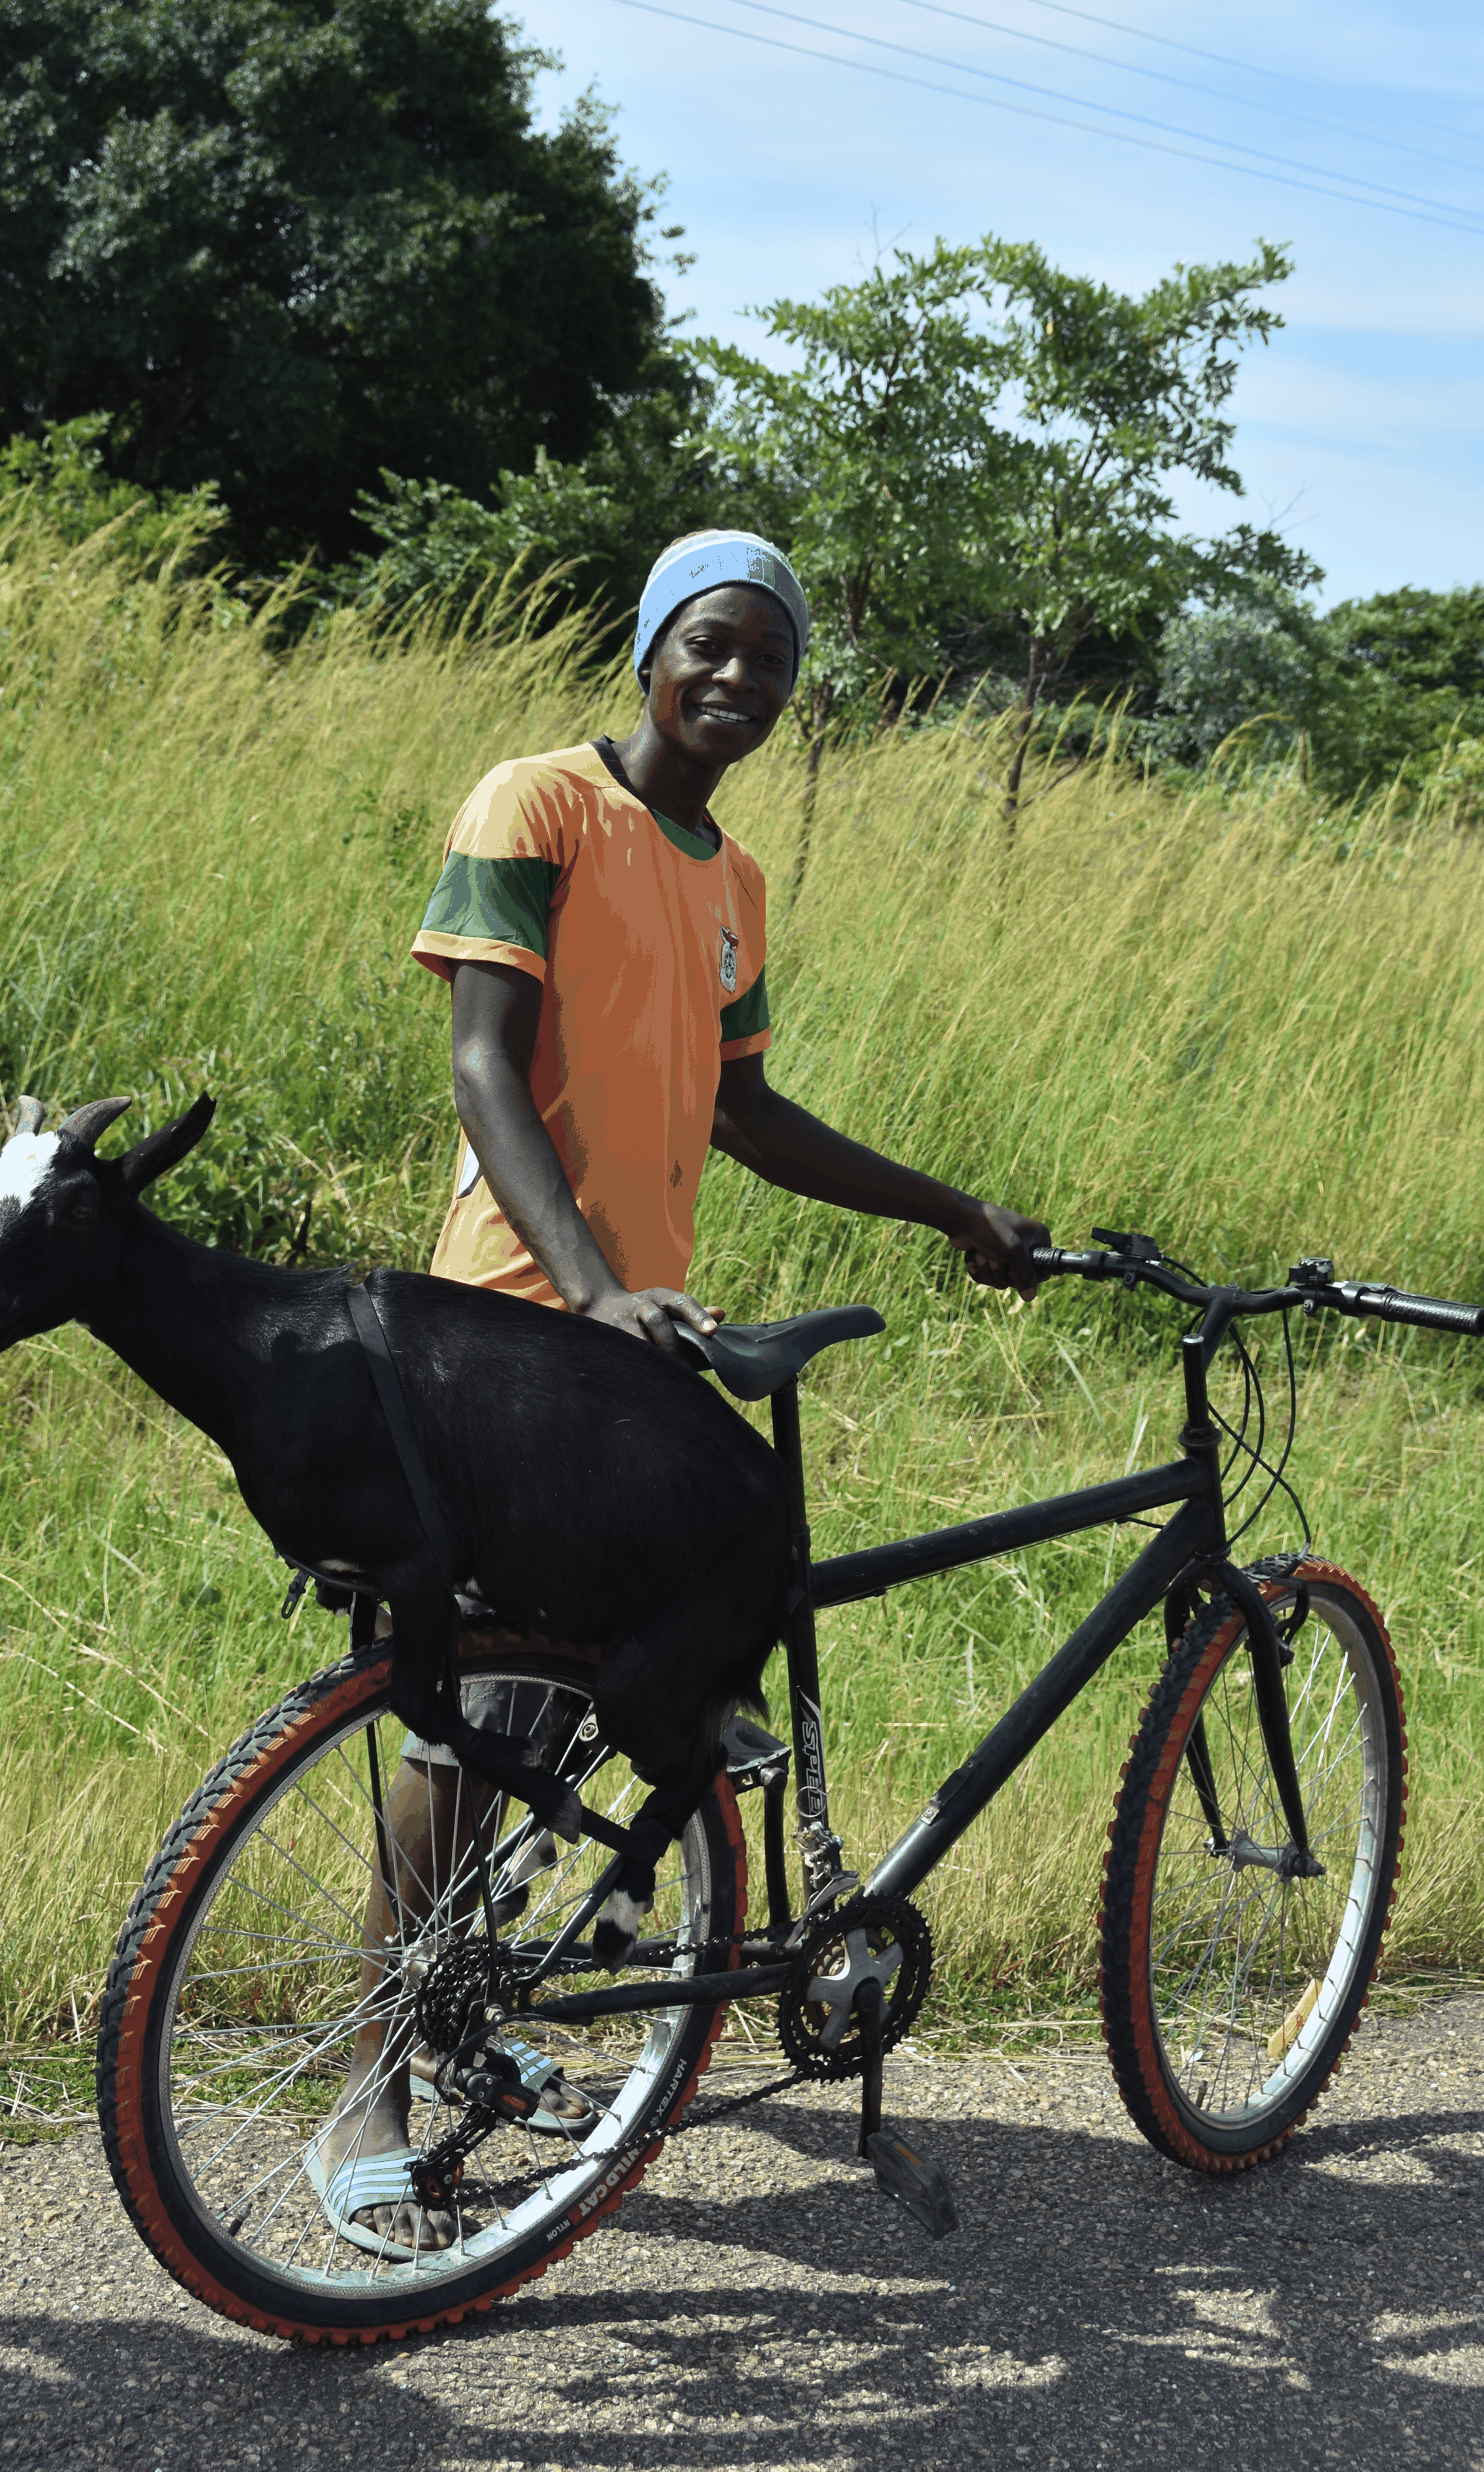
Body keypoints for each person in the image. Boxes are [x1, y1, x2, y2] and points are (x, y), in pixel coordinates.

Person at [318, 529, 1047, 2244]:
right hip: (512, 1323)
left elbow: (747, 1112)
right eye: (710, 644)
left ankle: (494, 2015)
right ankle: (369, 2078)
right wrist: (585, 1282)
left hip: (637, 1339)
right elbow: (482, 1061)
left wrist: (949, 1207)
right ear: (649, 649)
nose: (739, 679)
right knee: (461, 1720)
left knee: (588, 1699)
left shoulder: (733, 883)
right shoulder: (536, 802)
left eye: (771, 658)